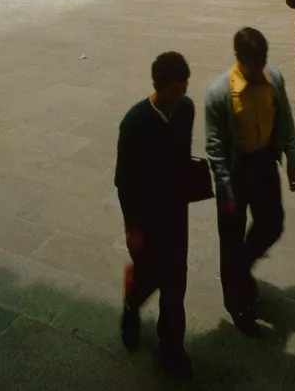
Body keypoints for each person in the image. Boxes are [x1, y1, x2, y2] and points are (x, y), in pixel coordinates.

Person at [205, 27, 295, 336]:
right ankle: (236, 303)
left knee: (272, 223)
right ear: (238, 59)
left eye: (263, 61)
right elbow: (215, 146)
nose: (259, 68)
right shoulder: (219, 93)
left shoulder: (273, 79)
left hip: (263, 164)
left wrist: (292, 160)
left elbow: (285, 119)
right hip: (234, 172)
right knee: (230, 241)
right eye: (253, 63)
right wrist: (226, 189)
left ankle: (241, 269)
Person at [115, 52, 194, 379]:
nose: (180, 98)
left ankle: (172, 345)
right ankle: (131, 305)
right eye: (174, 91)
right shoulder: (134, 123)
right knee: (148, 278)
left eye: (184, 89)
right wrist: (132, 228)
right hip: (146, 218)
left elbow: (181, 157)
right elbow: (123, 181)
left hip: (176, 214)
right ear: (158, 88)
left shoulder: (186, 109)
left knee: (176, 283)